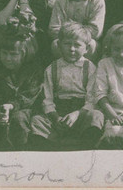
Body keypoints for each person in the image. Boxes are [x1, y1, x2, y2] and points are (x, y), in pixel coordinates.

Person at [0, 14, 44, 150]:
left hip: (26, 110)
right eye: (4, 53)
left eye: (13, 54)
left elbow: (29, 96)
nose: (7, 58)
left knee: (19, 119)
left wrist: (11, 106)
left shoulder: (33, 70)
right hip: (0, 110)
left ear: (25, 53)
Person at [30, 22, 104, 150]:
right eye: (67, 44)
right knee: (37, 121)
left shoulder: (90, 68)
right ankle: (51, 150)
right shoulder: (52, 68)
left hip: (81, 111)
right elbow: (47, 99)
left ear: (86, 48)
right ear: (58, 45)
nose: (72, 49)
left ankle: (85, 148)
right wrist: (56, 117)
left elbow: (92, 99)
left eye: (77, 45)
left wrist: (77, 114)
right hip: (58, 112)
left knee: (96, 116)